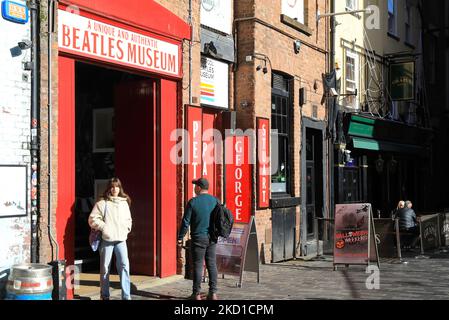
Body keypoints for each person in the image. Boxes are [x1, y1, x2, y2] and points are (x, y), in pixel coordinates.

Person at [89, 177, 133, 300]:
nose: (115, 189)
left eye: (117, 186)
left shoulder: (124, 202)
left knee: (124, 266)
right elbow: (92, 219)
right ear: (109, 188)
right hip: (107, 240)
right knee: (105, 268)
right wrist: (104, 227)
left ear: (120, 188)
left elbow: (129, 219)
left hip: (121, 240)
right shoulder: (102, 203)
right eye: (112, 186)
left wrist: (127, 229)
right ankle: (104, 295)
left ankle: (126, 296)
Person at [177, 178, 218, 300]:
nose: (194, 188)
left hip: (198, 238)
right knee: (211, 264)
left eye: (195, 186)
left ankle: (196, 294)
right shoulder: (215, 201)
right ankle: (213, 293)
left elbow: (185, 222)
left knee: (198, 265)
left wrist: (180, 237)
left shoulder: (193, 202)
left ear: (199, 188)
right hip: (212, 238)